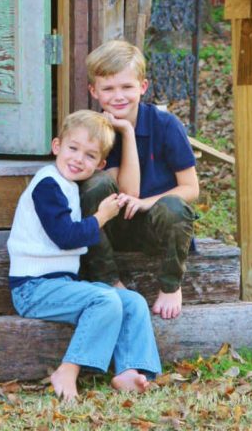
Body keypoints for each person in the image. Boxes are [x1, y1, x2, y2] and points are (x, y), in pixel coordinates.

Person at [7, 110, 161, 401]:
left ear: (101, 164)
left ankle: (130, 369)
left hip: (60, 285)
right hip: (32, 288)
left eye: (90, 156)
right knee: (106, 300)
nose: (78, 159)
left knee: (133, 301)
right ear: (57, 147)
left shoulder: (68, 186)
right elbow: (65, 237)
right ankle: (68, 368)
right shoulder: (47, 185)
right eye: (73, 148)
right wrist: (101, 217)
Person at [80, 40, 199, 320]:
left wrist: (146, 203)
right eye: (108, 89)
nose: (118, 96)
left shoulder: (166, 125)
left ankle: (171, 285)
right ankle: (108, 279)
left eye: (127, 87)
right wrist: (127, 134)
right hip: (114, 226)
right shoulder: (95, 130)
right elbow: (125, 191)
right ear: (94, 91)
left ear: (142, 87)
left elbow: (191, 188)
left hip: (155, 227)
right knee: (94, 186)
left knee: (174, 206)